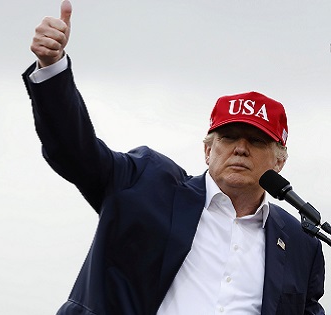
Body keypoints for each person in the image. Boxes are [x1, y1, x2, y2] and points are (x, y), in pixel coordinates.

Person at [21, 1, 325, 314]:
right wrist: (53, 66)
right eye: (229, 137)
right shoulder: (147, 184)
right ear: (208, 150)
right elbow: (75, 151)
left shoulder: (302, 243)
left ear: (279, 162)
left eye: (257, 141)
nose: (240, 148)